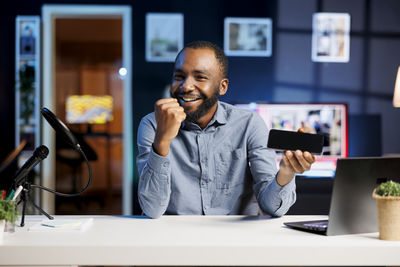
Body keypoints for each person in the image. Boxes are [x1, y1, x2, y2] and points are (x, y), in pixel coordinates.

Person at [137, 41, 315, 219]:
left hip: (237, 240)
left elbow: (273, 208)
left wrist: (286, 172)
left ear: (222, 86)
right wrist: (162, 141)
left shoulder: (249, 124)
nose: (186, 86)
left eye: (200, 77)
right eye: (179, 76)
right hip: (177, 239)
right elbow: (152, 209)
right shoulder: (152, 125)